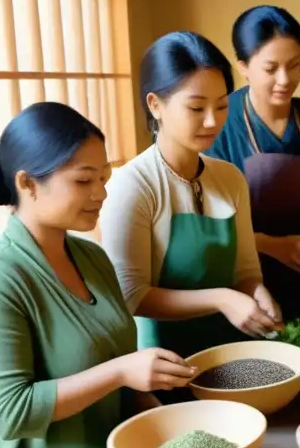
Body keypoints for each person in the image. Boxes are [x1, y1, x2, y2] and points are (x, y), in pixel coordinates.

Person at [0, 103, 194, 448]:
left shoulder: (92, 257)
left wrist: (174, 426)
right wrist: (122, 371)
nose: (101, 193)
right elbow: (9, 413)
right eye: (83, 180)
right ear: (28, 183)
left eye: (105, 176)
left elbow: (120, 369)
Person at [99, 31, 281, 367]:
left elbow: (245, 271)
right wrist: (223, 299)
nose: (213, 121)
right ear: (155, 105)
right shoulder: (133, 185)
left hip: (229, 352)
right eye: (196, 107)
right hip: (163, 362)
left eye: (222, 105)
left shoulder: (229, 178)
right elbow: (131, 296)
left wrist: (257, 294)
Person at [206, 6, 300, 322]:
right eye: (271, 68)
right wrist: (273, 245)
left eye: (294, 65)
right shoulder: (221, 122)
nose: (285, 80)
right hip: (248, 282)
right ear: (243, 67)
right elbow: (206, 222)